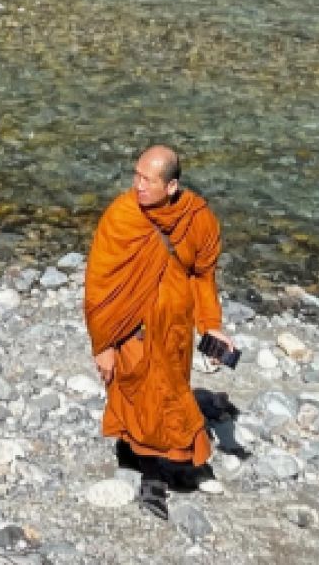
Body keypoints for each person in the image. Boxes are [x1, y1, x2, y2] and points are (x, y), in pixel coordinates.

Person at [84, 146, 235, 520]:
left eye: (147, 180)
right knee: (141, 396)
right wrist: (102, 344)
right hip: (131, 330)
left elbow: (203, 275)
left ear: (171, 186)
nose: (137, 186)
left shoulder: (196, 217)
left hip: (176, 330)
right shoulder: (122, 217)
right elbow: (99, 287)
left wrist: (212, 325)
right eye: (135, 175)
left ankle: (164, 457)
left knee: (172, 391)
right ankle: (152, 480)